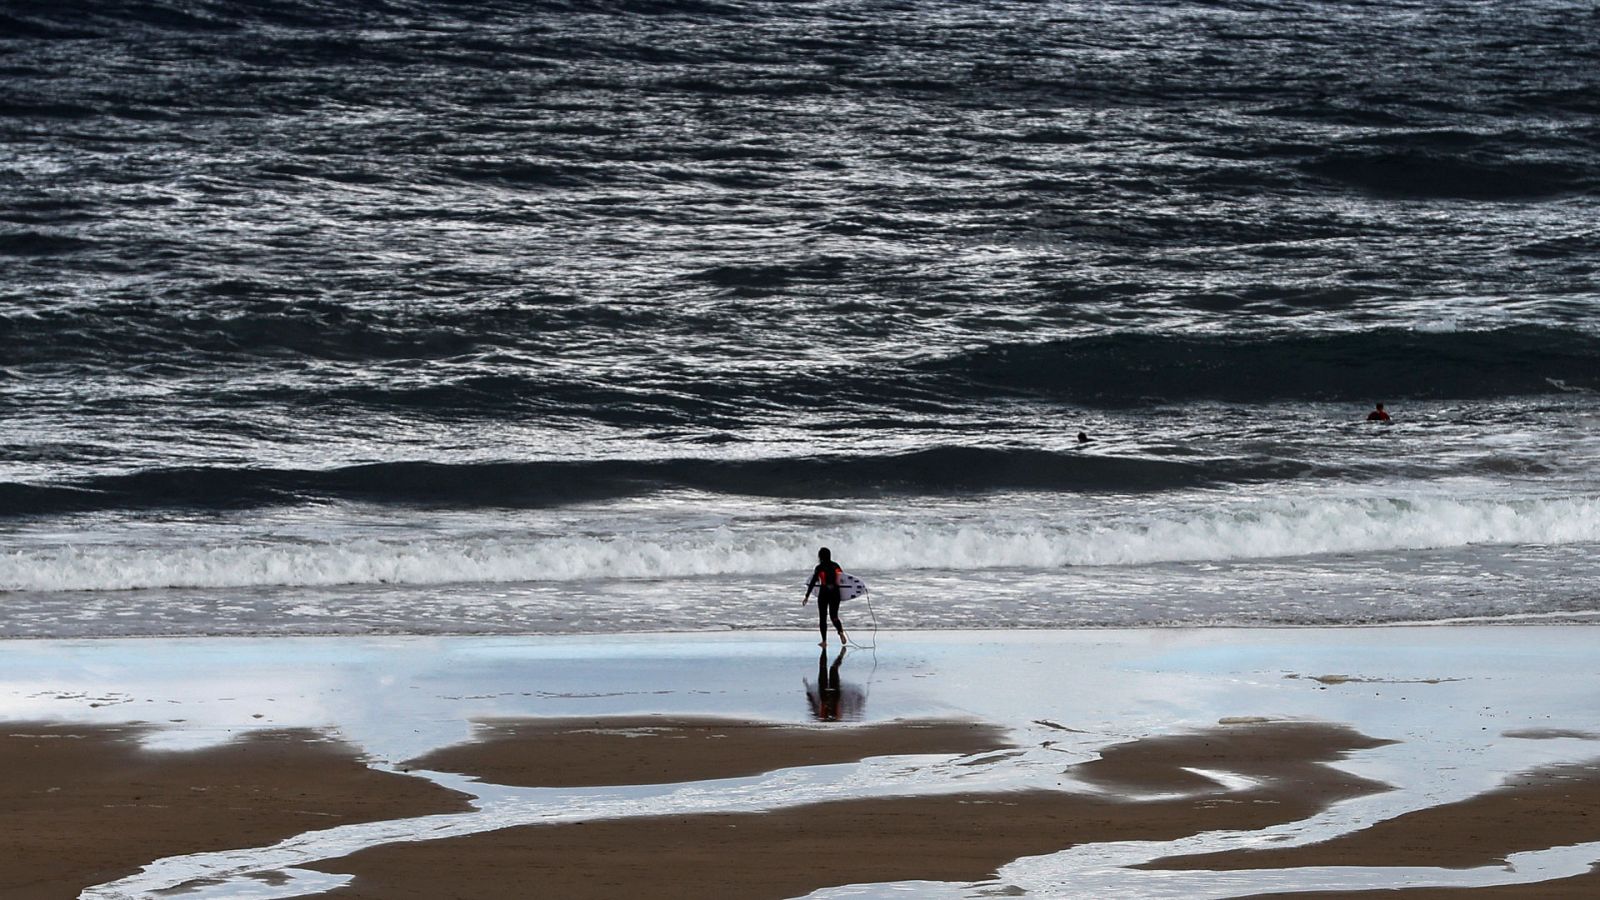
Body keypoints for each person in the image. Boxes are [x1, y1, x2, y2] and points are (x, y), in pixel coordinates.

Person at [802, 546, 847, 647]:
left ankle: (824, 641)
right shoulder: (836, 566)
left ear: (820, 556)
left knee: (823, 617)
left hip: (824, 593)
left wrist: (807, 596)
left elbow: (813, 582)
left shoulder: (819, 567)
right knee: (834, 616)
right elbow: (843, 579)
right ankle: (840, 632)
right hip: (835, 592)